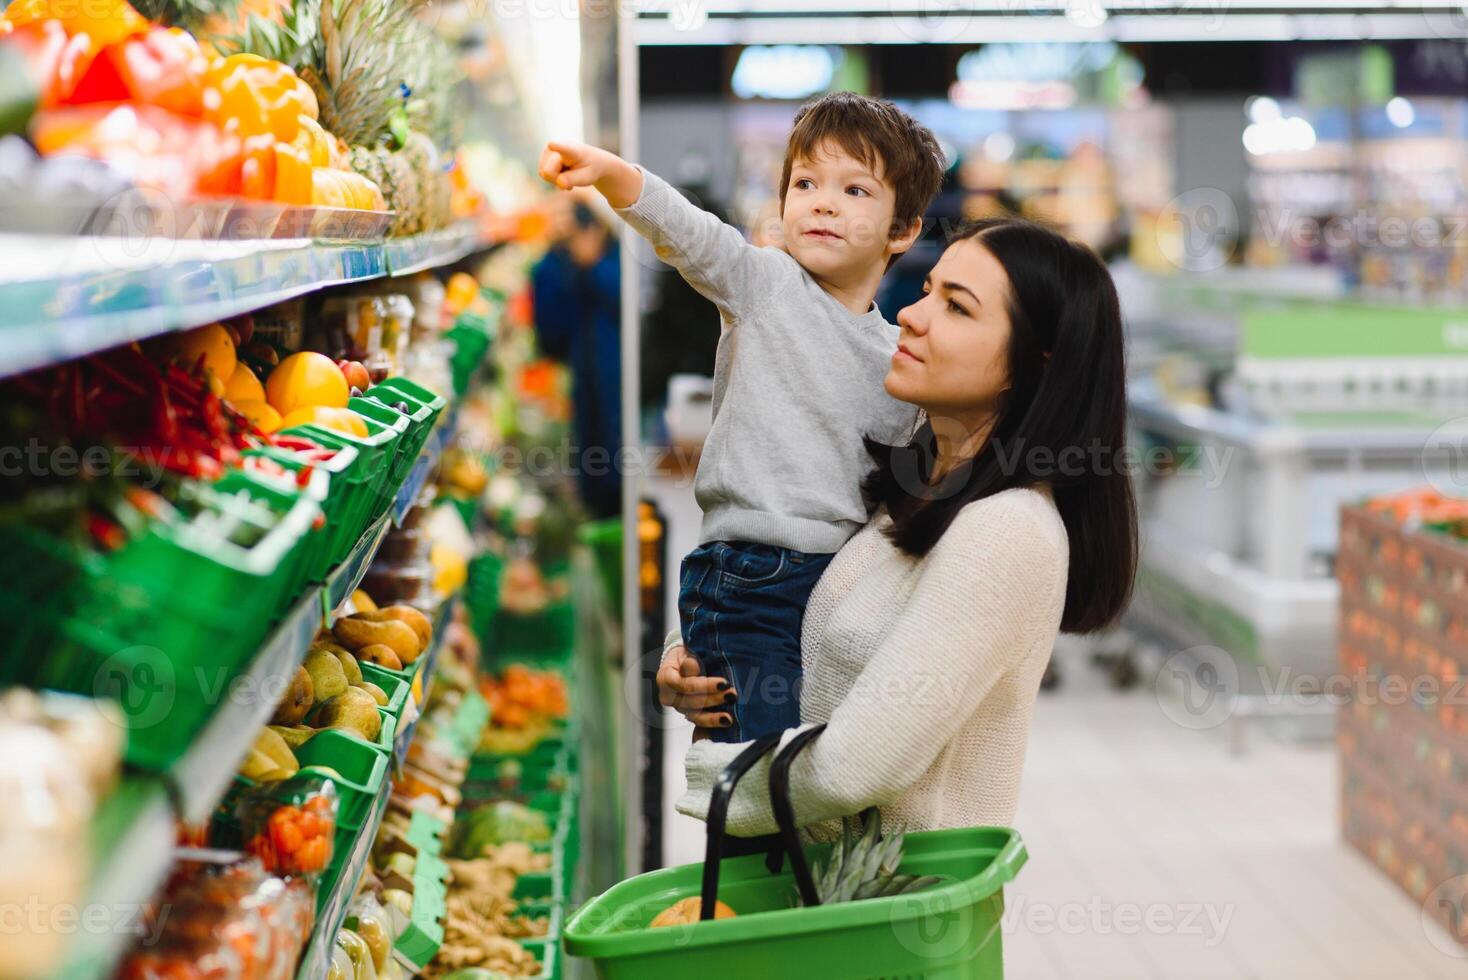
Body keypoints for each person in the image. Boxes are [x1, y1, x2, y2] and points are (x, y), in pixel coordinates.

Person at [659, 217, 1138, 837]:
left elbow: (857, 767)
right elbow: (781, 549)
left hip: (892, 917)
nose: (913, 314)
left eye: (957, 308)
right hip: (813, 895)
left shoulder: (1006, 532)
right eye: (929, 289)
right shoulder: (914, 476)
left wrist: (711, 777)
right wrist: (697, 651)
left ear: (1033, 362)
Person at [540, 93, 945, 744]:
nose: (822, 201)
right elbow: (692, 234)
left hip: (839, 584)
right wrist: (615, 175)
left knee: (819, 757)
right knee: (758, 767)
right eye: (805, 182)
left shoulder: (898, 360)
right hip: (752, 578)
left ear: (903, 231)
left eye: (855, 189)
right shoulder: (765, 286)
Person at [530, 197, 622, 519]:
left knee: (616, 464)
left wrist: (593, 263)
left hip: (617, 388)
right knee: (593, 472)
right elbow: (550, 333)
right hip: (584, 385)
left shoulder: (617, 262)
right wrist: (557, 255)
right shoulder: (557, 266)